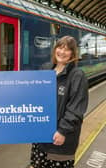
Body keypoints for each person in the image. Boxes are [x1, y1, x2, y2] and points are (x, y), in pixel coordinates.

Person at [28, 36, 89, 168]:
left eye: (67, 50)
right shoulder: (45, 69)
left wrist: (62, 131)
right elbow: (35, 96)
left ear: (73, 53)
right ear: (55, 49)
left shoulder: (77, 75)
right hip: (41, 137)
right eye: (60, 47)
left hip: (60, 140)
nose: (62, 52)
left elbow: (76, 109)